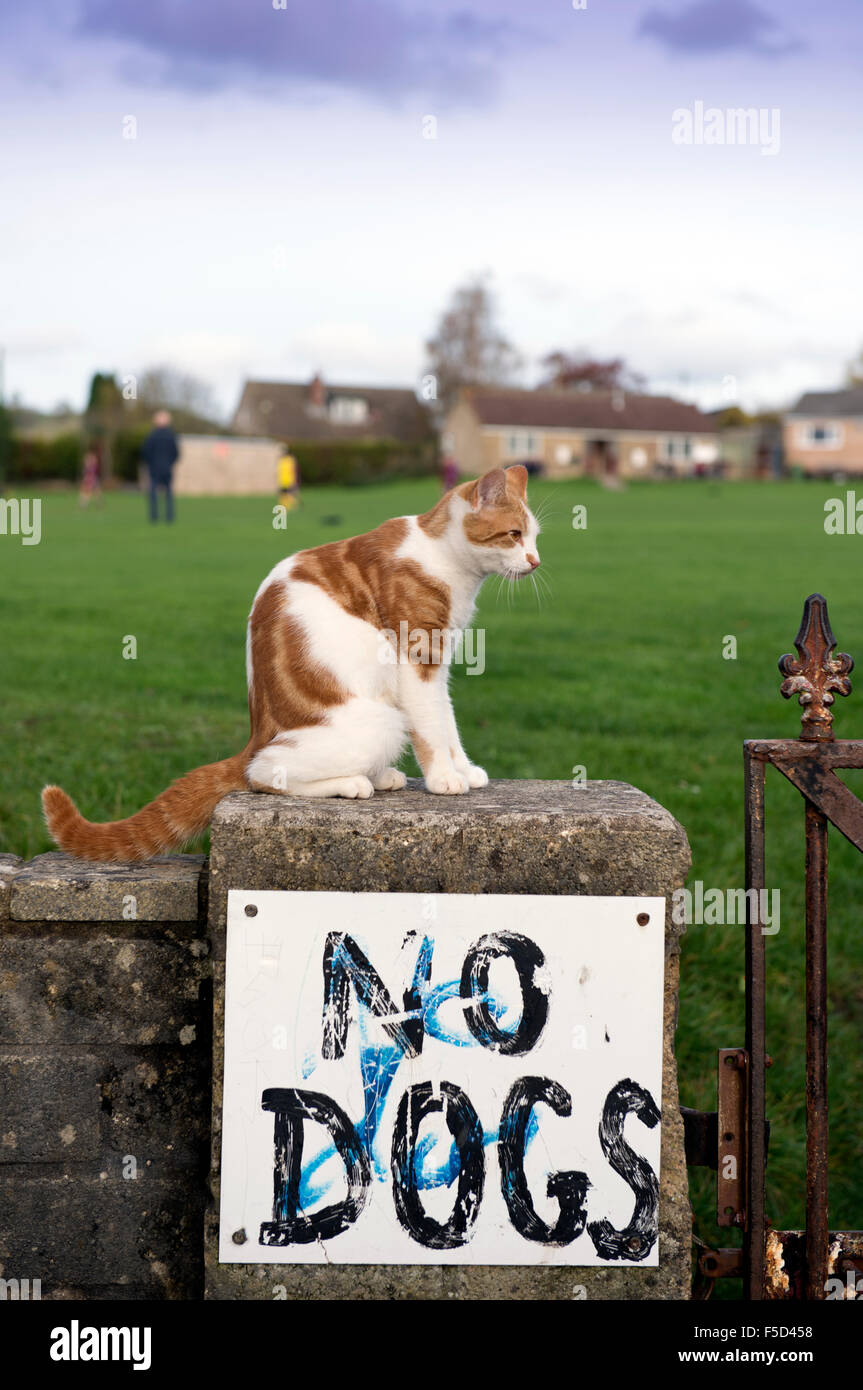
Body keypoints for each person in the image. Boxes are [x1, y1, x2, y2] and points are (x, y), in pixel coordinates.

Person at [141, 410, 179, 523]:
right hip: (167, 468)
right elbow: (176, 453)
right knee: (168, 492)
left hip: (155, 468)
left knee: (154, 492)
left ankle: (154, 516)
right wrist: (170, 463)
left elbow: (146, 452)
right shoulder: (171, 435)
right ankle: (169, 517)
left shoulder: (152, 435)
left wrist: (151, 463)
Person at [278, 444, 301, 511]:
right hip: (282, 480)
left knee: (291, 494)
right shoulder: (281, 460)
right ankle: (285, 507)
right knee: (283, 495)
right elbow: (280, 471)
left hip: (290, 480)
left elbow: (293, 470)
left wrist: (294, 480)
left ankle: (293, 506)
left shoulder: (290, 459)